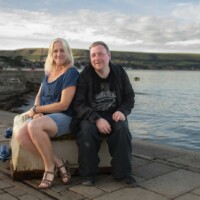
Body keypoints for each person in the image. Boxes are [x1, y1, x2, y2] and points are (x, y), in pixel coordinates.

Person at [16, 38, 79, 189]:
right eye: (55, 51)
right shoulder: (49, 71)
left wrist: (37, 111)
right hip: (46, 116)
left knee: (34, 127)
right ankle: (59, 162)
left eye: (62, 50)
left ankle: (49, 168)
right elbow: (39, 95)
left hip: (64, 116)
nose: (58, 54)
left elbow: (63, 104)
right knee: (20, 135)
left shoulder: (71, 72)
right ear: (51, 53)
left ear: (68, 52)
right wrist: (37, 110)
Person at [72, 41, 136, 186]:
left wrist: (122, 111)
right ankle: (88, 175)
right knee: (86, 132)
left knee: (122, 129)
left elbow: (129, 98)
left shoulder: (119, 72)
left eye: (100, 54)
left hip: (114, 114)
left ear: (109, 55)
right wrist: (96, 119)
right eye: (93, 55)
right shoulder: (85, 76)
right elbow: (79, 104)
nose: (96, 58)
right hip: (91, 115)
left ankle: (123, 174)